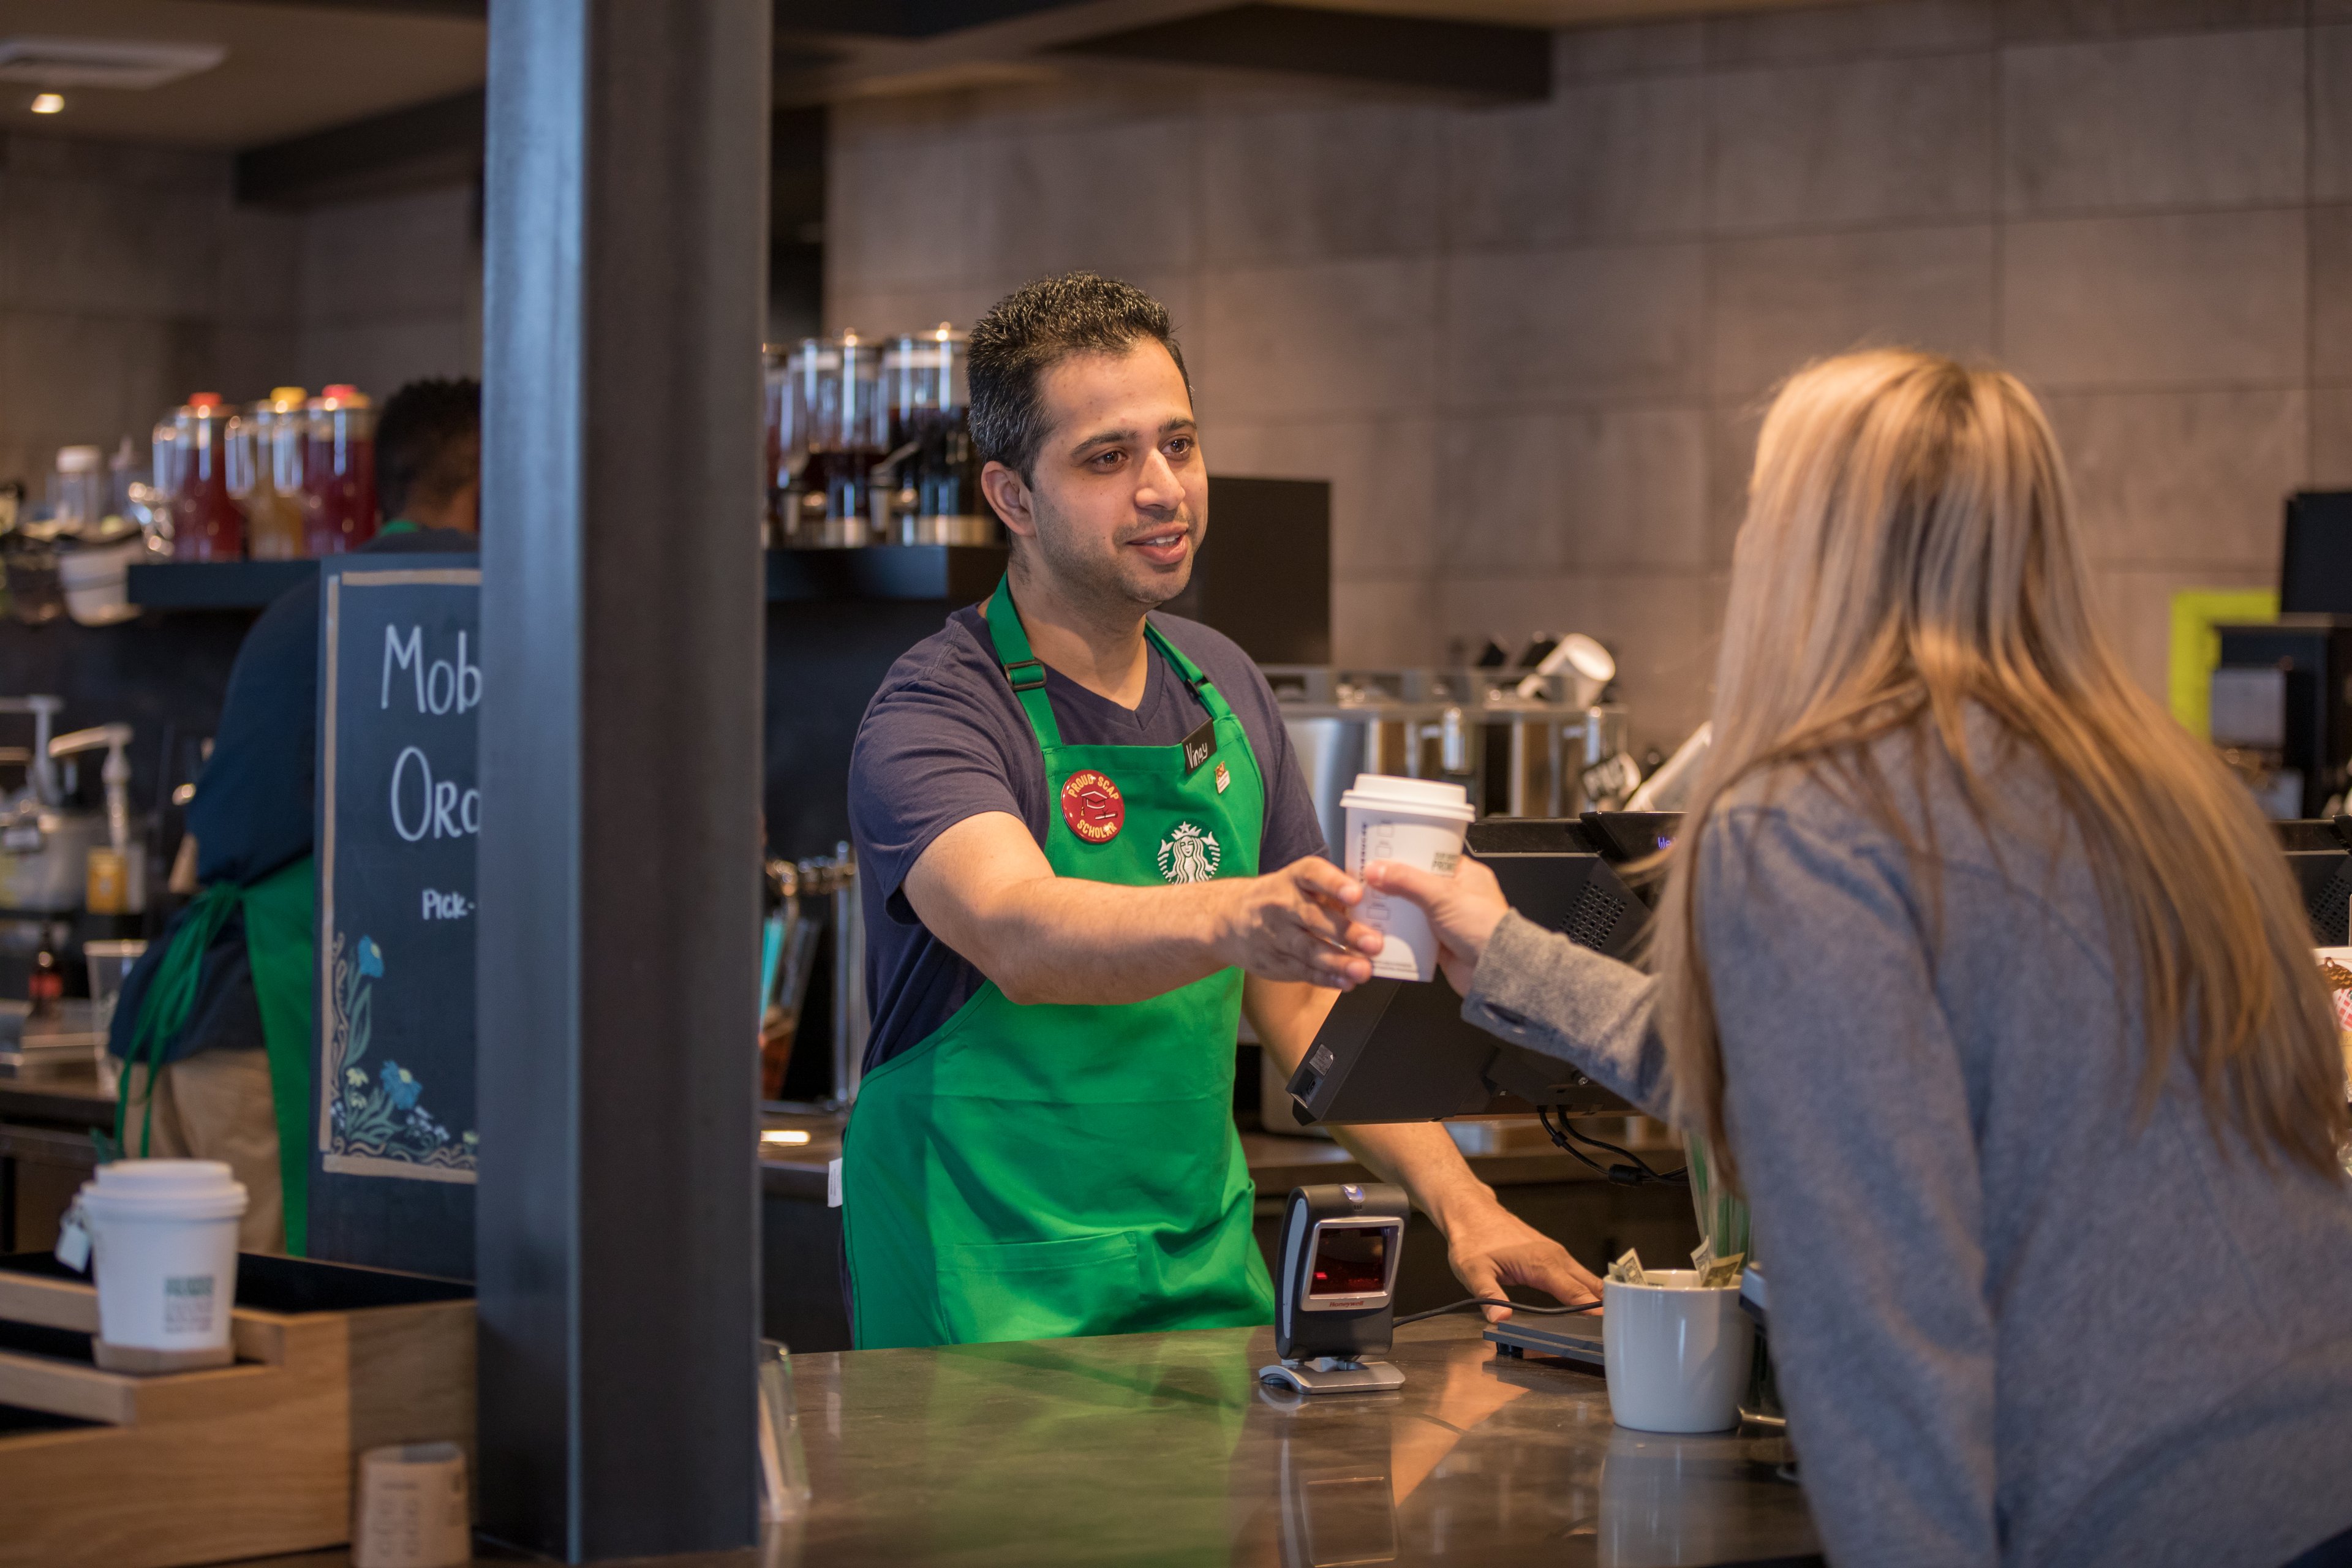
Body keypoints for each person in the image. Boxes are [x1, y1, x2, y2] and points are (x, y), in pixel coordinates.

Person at [1365, 350, 2352, 1568]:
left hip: (2141, 1510)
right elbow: (1818, 1068)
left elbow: (1887, 1319)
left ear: (1806, 549)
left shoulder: (1808, 824)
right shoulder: (2162, 790)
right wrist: (1512, 957)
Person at [840, 273, 1599, 1348]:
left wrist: (1465, 1203)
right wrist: (1239, 916)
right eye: (1109, 458)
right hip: (984, 1285)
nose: (1164, 489)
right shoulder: (936, 708)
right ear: (1012, 497)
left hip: (1199, 1276)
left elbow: (1295, 1008)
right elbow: (1017, 929)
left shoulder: (1220, 681)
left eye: (1180, 445)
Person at [111, 377, 483, 1253]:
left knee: (199, 1356)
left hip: (183, 1023)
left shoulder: (299, 605)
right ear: (493, 485)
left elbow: (211, 844)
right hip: (276, 1040)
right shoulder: (467, 608)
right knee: (290, 1355)